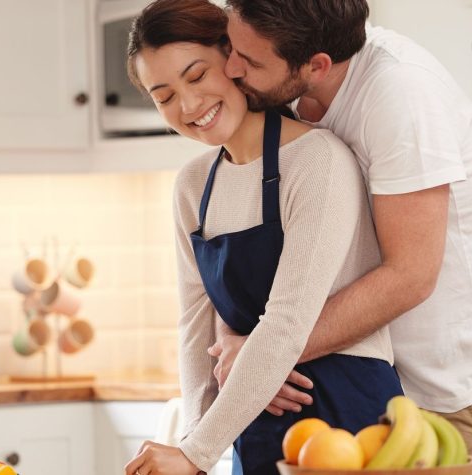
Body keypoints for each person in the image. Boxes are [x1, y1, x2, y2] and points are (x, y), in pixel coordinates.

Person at [206, 1, 472, 474]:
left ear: (317, 65)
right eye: (230, 46)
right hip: (365, 379)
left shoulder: (401, 96)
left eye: (251, 60)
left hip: (458, 381)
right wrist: (236, 337)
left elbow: (410, 276)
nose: (231, 67)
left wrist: (264, 354)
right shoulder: (278, 90)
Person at [123, 1, 403, 474]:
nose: (188, 106)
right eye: (164, 95)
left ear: (233, 61)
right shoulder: (193, 185)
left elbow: (288, 321)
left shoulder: (317, 161)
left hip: (347, 418)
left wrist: (195, 453)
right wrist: (195, 438)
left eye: (196, 76)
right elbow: (196, 323)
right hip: (253, 420)